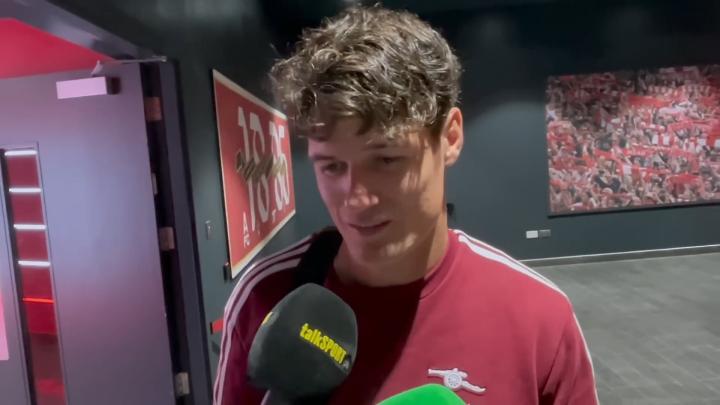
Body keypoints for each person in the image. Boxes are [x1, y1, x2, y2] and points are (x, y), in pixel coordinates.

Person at [214, 6, 598, 405]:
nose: (356, 199)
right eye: (331, 166)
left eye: (386, 160)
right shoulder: (263, 297)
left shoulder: (539, 316)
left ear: (449, 138)